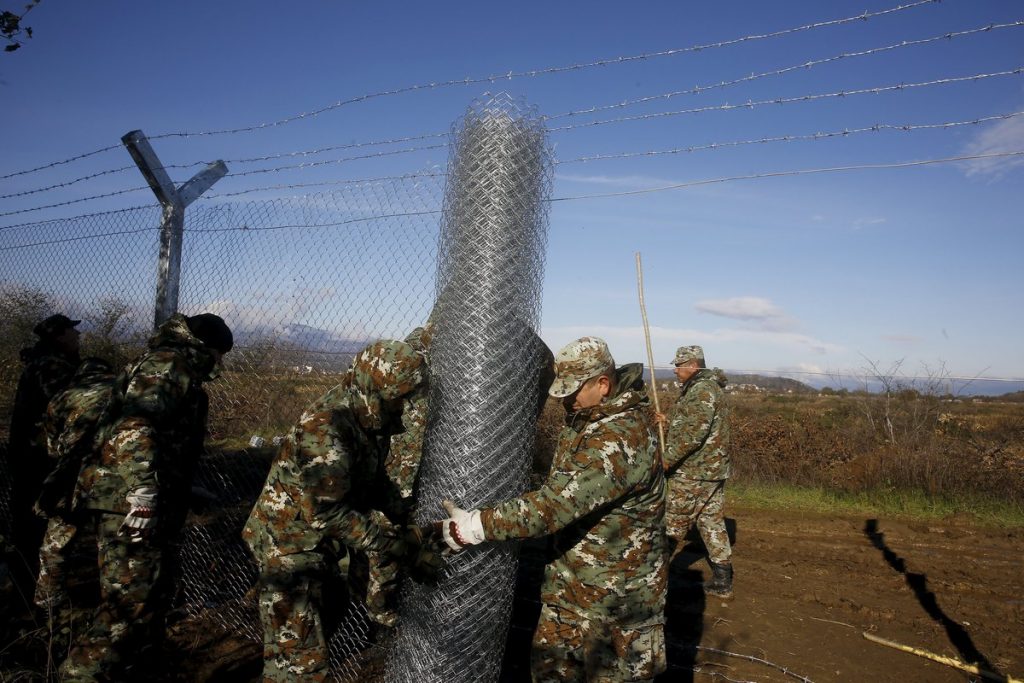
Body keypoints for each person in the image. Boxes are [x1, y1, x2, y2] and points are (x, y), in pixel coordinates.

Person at [440, 336, 668, 682]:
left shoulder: (620, 438)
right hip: (570, 595)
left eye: (574, 390)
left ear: (603, 384)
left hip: (616, 609)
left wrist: (476, 525)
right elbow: (559, 490)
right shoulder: (587, 421)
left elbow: (554, 506)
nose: (566, 401)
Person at [243, 340, 442, 682]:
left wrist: (403, 514)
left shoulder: (365, 419)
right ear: (377, 389)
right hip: (289, 549)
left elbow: (373, 479)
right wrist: (397, 545)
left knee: (328, 613)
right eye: (399, 397)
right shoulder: (327, 428)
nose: (404, 408)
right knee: (301, 667)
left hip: (316, 548)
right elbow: (327, 513)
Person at [60, 312, 234, 682]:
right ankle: (79, 675)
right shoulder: (171, 365)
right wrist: (144, 491)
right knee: (127, 610)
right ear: (208, 349)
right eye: (220, 355)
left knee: (146, 601)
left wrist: (179, 488)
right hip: (131, 505)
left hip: (135, 498)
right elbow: (137, 425)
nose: (220, 365)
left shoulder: (166, 362)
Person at [33, 357, 117, 638]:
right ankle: (114, 615)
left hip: (70, 480)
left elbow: (52, 447)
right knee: (112, 549)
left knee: (56, 545)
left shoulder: (62, 397)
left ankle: (48, 608)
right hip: (111, 479)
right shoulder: (122, 391)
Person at [5, 314, 81, 584]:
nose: (78, 336)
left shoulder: (41, 361)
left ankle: (24, 581)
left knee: (27, 519)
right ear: (59, 336)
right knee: (40, 521)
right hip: (41, 457)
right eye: (72, 331)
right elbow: (68, 407)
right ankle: (36, 587)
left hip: (30, 453)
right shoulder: (52, 366)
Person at [657, 345, 733, 598]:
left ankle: (652, 577)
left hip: (694, 471)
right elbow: (690, 423)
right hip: (710, 470)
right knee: (710, 521)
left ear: (692, 364)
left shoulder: (702, 390)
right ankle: (723, 581)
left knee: (672, 522)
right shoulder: (703, 387)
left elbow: (694, 433)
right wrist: (666, 421)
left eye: (679, 365)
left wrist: (667, 459)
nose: (675, 370)